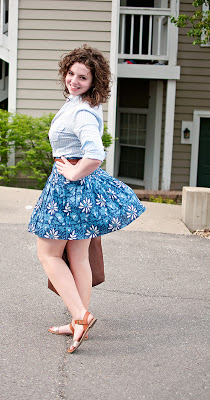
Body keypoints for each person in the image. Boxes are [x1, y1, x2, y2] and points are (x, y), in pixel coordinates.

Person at [28, 45, 145, 354]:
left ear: (95, 81)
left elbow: (94, 153)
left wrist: (72, 174)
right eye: (71, 74)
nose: (74, 81)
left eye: (82, 77)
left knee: (49, 255)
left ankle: (81, 315)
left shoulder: (81, 110)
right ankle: (78, 323)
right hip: (80, 189)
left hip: (68, 190)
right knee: (78, 256)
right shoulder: (82, 103)